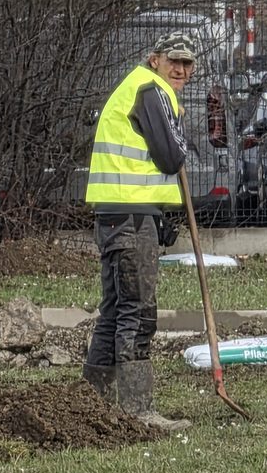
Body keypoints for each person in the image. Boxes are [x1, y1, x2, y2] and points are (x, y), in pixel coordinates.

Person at [83, 30, 199, 432]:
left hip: (122, 214)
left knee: (115, 310)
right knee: (138, 310)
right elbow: (170, 156)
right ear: (156, 60)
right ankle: (137, 410)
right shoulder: (152, 91)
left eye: (187, 63)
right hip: (130, 218)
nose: (181, 69)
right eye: (174, 61)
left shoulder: (140, 88)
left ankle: (89, 404)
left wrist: (161, 213)